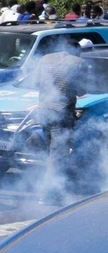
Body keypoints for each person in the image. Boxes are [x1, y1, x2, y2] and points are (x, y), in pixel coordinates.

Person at [34, 40, 90, 205]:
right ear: (77, 51)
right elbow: (81, 90)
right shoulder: (79, 62)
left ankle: (54, 188)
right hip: (62, 112)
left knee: (51, 153)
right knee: (58, 155)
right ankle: (47, 194)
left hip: (44, 110)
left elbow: (36, 83)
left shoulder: (45, 59)